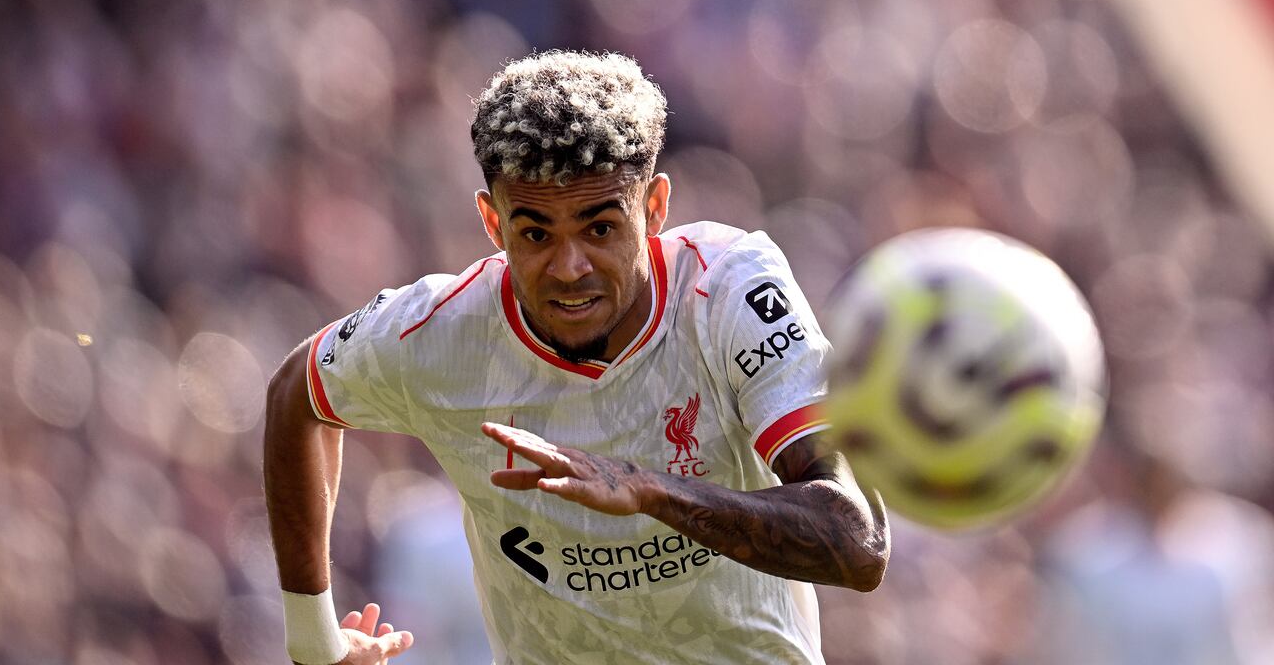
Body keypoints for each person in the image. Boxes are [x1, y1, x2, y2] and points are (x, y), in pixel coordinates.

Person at [264, 50, 890, 665]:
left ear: (654, 208)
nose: (569, 269)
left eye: (599, 228)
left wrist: (651, 492)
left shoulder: (730, 294)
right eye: (535, 233)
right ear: (492, 221)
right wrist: (314, 642)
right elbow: (297, 392)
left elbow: (857, 541)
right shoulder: (438, 330)